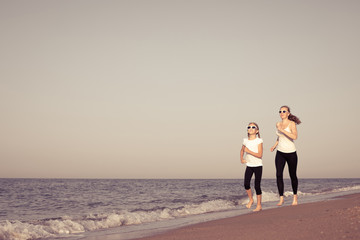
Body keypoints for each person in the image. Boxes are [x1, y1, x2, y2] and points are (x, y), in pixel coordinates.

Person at [270, 106, 301, 206]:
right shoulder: (278, 124)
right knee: (279, 174)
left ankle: (295, 197)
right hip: (280, 152)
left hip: (291, 152)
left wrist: (283, 130)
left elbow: (295, 137)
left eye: (284, 111)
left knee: (293, 175)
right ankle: (281, 198)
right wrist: (275, 145)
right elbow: (279, 136)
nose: (282, 113)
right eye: (280, 111)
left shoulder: (292, 124)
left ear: (288, 113)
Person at [240, 122, 263, 212]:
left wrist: (248, 151)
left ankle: (259, 205)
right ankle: (251, 199)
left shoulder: (259, 140)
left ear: (257, 131)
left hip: (258, 165)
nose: (251, 128)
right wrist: (241, 159)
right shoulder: (245, 140)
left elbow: (260, 155)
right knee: (246, 184)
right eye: (249, 127)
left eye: (253, 127)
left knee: (257, 186)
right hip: (249, 165)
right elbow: (242, 150)